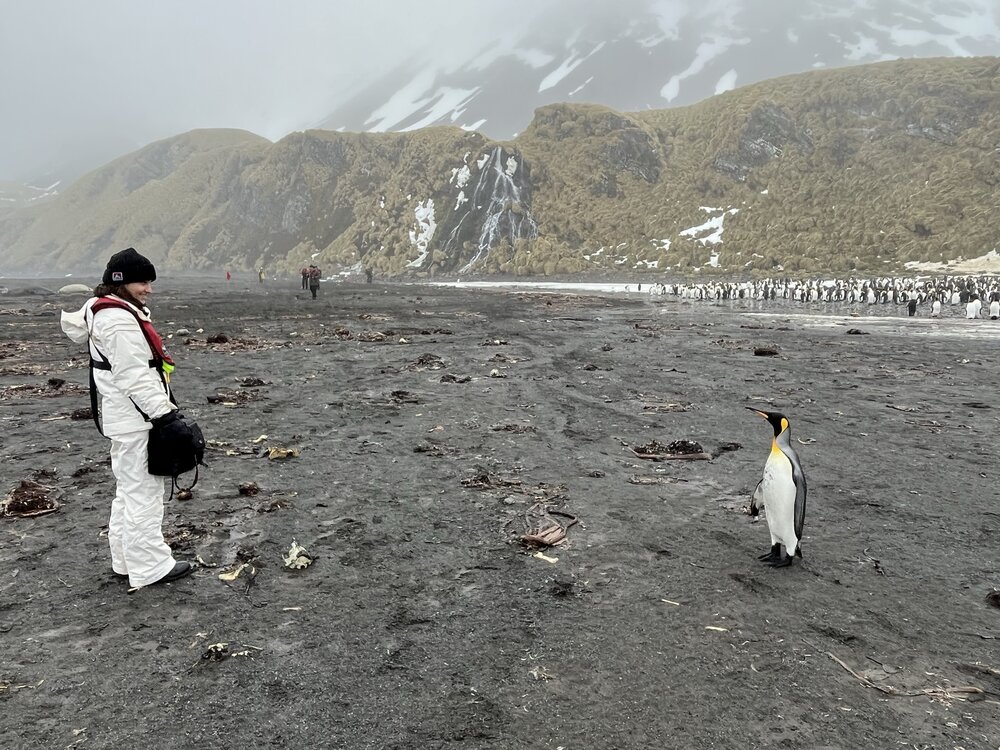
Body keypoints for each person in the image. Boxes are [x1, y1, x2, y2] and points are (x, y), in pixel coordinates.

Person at [60, 248, 193, 588]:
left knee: (130, 490)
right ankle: (150, 567)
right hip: (136, 419)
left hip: (126, 416)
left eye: (149, 282)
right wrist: (165, 416)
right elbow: (134, 375)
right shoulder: (118, 319)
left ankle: (124, 560)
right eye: (142, 282)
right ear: (120, 282)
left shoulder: (109, 312)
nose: (148, 288)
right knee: (144, 494)